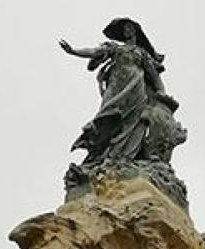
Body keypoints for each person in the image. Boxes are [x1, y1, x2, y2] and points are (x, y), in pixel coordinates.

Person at [59, 18, 183, 165]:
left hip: (136, 88)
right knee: (107, 116)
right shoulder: (115, 48)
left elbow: (154, 76)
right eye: (124, 28)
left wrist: (162, 96)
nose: (127, 30)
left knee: (133, 123)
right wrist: (73, 51)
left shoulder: (141, 53)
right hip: (117, 87)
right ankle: (102, 154)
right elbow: (95, 51)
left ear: (135, 31)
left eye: (130, 28)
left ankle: (124, 159)